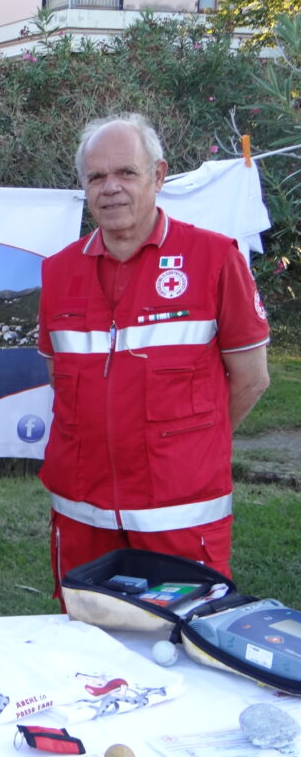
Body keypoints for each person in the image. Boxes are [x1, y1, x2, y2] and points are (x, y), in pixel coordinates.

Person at [37, 113, 270, 596]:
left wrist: (189, 447)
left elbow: (252, 378)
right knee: (84, 638)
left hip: (179, 518)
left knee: (182, 637)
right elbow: (58, 375)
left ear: (158, 176)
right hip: (82, 517)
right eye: (96, 177)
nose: (110, 188)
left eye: (126, 172)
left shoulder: (214, 259)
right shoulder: (58, 272)